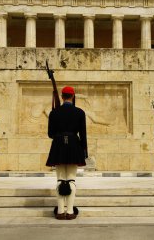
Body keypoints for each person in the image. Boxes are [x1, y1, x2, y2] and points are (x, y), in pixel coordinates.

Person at [46, 86, 87, 220]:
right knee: (71, 179)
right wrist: (84, 151)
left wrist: (60, 135)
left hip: (58, 145)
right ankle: (69, 212)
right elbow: (83, 134)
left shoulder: (54, 112)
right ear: (73, 96)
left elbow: (50, 134)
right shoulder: (80, 112)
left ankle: (59, 210)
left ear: (62, 97)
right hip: (74, 145)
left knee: (60, 179)